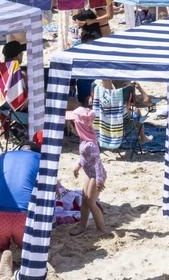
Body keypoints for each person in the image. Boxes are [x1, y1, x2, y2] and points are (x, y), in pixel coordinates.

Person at [0, 136, 41, 276]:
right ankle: (22, 254)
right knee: (32, 248)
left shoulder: (4, 156)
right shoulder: (40, 159)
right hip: (24, 218)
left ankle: (0, 258)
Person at [67, 93, 106, 235]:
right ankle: (82, 226)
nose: (71, 127)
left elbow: (97, 162)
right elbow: (85, 158)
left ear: (79, 126)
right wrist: (78, 165)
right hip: (90, 173)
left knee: (91, 202)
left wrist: (100, 180)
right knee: (84, 200)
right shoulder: (84, 140)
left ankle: (102, 230)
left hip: (96, 174)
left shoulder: (89, 144)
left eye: (73, 124)